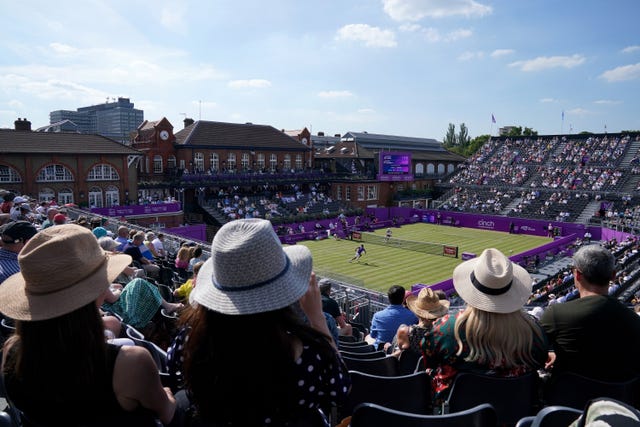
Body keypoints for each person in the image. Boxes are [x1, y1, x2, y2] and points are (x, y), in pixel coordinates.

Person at [168, 218, 350, 425]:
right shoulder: (308, 351)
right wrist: (317, 317)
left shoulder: (188, 340)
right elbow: (339, 390)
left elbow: (178, 381)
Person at [0, 224, 177, 425]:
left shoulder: (10, 351)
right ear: (97, 292)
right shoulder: (131, 362)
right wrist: (170, 396)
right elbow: (168, 413)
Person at [396, 248, 548, 408]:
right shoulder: (535, 331)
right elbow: (540, 361)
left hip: (456, 415)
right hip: (515, 414)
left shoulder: (446, 328)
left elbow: (430, 364)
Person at [540, 244, 640, 382]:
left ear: (577, 274)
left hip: (565, 399)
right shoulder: (634, 320)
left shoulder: (556, 313)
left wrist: (557, 354)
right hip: (616, 401)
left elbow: (532, 356)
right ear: (613, 275)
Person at [387, 287, 449, 356]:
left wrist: (389, 349)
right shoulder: (443, 333)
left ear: (417, 312)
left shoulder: (404, 331)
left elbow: (398, 356)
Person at [366, 285, 418, 350]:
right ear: (403, 298)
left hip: (381, 352)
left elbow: (373, 335)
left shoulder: (377, 316)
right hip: (399, 352)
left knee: (368, 337)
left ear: (389, 298)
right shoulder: (413, 316)